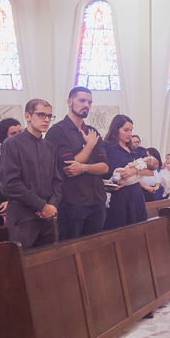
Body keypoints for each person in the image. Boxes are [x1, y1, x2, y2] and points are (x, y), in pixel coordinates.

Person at [46, 87, 109, 240]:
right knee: (70, 250)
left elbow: (105, 167)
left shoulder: (92, 131)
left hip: (97, 201)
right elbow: (69, 167)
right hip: (72, 202)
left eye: (89, 102)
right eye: (82, 100)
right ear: (69, 102)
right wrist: (89, 146)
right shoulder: (57, 131)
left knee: (93, 250)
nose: (86, 105)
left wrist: (83, 168)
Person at [0, 99, 62, 248]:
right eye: (41, 115)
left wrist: (51, 205)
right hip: (23, 216)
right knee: (23, 265)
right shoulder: (12, 143)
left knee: (46, 264)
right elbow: (11, 184)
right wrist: (42, 206)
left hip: (47, 217)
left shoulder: (49, 146)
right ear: (27, 116)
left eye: (49, 116)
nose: (46, 120)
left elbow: (57, 181)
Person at [102, 114, 148, 229]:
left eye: (131, 130)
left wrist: (134, 171)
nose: (130, 134)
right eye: (126, 130)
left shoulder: (135, 150)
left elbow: (151, 172)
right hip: (118, 195)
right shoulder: (106, 147)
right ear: (115, 129)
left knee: (138, 228)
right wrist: (106, 185)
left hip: (136, 194)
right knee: (119, 229)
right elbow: (100, 173)